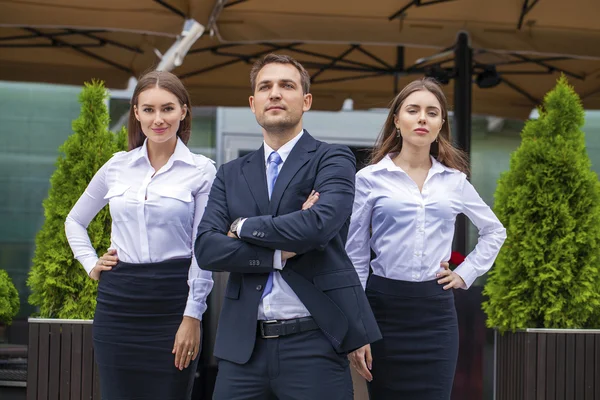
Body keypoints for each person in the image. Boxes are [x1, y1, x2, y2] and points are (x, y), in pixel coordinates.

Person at [194, 53, 382, 400]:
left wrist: (242, 225)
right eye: (265, 87)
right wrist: (276, 255)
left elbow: (319, 225)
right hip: (242, 350)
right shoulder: (230, 173)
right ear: (253, 104)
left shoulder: (333, 158)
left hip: (315, 343)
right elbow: (207, 249)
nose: (275, 93)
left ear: (306, 100)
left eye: (286, 86)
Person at [345, 78, 507, 399]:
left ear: (440, 125)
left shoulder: (454, 181)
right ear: (397, 120)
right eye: (413, 110)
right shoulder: (369, 178)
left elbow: (494, 231)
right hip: (382, 309)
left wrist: (465, 273)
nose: (422, 118)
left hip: (436, 315)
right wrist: (357, 326)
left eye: (432, 112)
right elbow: (356, 256)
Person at [65, 70, 216, 400]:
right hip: (118, 302)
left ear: (183, 111)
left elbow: (202, 248)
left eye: (167, 108)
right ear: (136, 113)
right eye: (148, 109)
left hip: (173, 301)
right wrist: (91, 262)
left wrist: (193, 315)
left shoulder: (202, 170)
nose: (158, 119)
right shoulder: (117, 166)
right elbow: (74, 221)